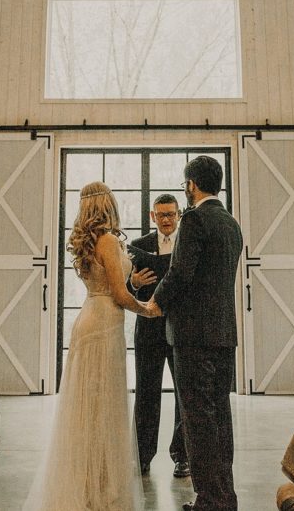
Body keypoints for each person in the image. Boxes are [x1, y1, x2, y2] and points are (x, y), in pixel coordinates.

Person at [25, 181, 157, 510]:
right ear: (107, 205)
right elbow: (119, 295)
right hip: (104, 325)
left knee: (89, 407)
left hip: (90, 318)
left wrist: (133, 282)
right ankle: (99, 489)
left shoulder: (91, 241)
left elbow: (107, 284)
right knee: (103, 407)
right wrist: (148, 309)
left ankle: (88, 483)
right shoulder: (109, 240)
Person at [148, 156, 244, 511]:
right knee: (219, 414)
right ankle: (225, 496)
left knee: (198, 419)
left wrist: (155, 303)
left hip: (192, 337)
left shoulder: (194, 219)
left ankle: (209, 500)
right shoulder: (231, 224)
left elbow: (181, 273)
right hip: (223, 335)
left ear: (191, 184)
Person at [126, 193, 189, 477]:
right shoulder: (138, 247)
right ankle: (142, 455)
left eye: (170, 214)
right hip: (148, 331)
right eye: (160, 215)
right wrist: (134, 282)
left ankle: (182, 456)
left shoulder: (188, 245)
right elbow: (123, 289)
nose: (166, 219)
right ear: (152, 216)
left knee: (184, 395)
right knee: (146, 393)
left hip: (181, 329)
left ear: (178, 215)